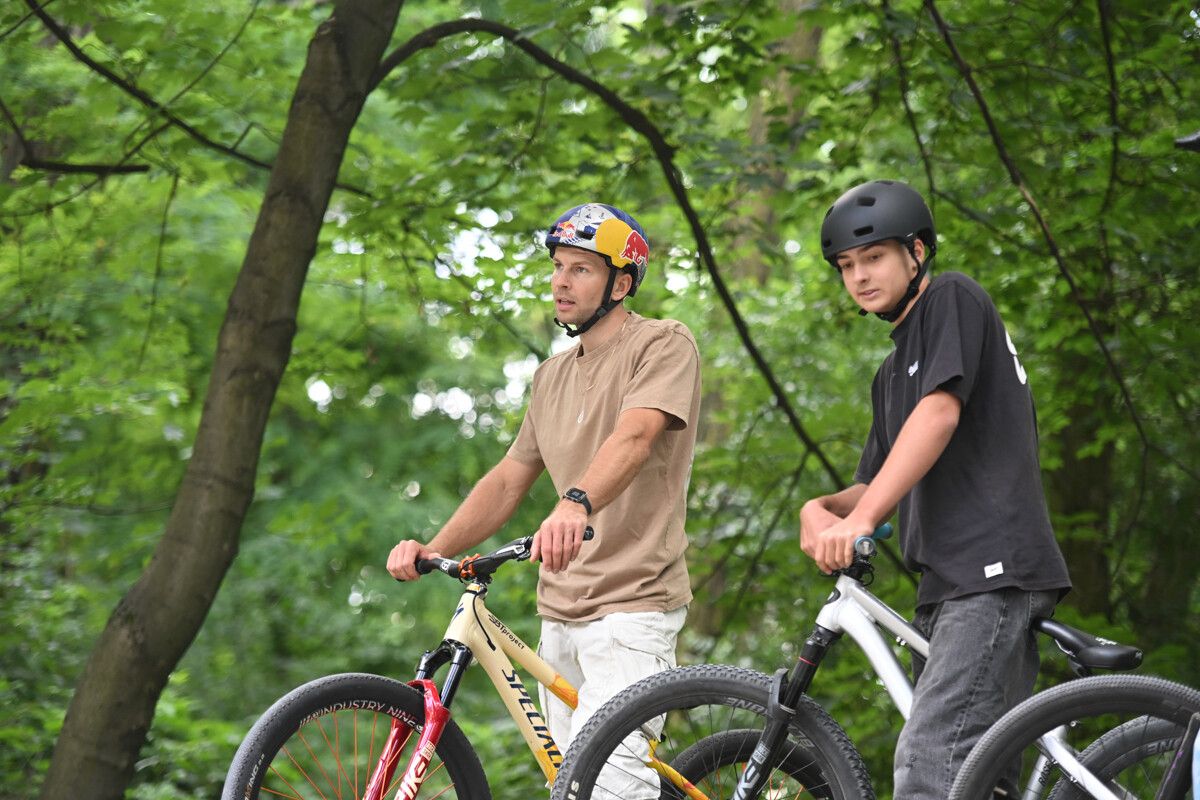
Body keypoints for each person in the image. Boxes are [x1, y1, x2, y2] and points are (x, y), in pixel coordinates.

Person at [387, 202, 701, 797]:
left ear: (622, 282)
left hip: (633, 607)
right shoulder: (550, 377)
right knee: (572, 789)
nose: (561, 280)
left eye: (581, 268)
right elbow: (510, 478)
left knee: (610, 786)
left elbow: (635, 435)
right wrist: (435, 549)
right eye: (558, 266)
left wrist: (576, 501)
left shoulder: (662, 344)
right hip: (559, 614)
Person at [798, 179, 1072, 799]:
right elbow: (872, 481)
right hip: (947, 589)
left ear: (916, 252)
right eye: (846, 265)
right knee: (978, 783)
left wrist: (861, 520)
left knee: (930, 767)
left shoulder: (951, 298)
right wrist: (819, 510)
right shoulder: (890, 371)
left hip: (993, 575)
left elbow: (939, 415)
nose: (859, 276)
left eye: (874, 257)